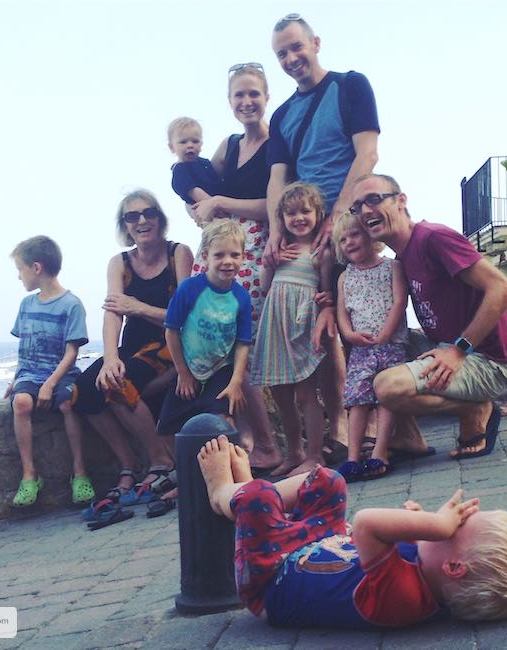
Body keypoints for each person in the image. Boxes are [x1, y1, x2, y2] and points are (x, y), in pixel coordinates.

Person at [198, 434, 507, 628]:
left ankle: (225, 494)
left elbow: (366, 523)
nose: (448, 522)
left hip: (272, 579)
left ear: (454, 568)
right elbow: (404, 544)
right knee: (329, 481)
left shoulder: (404, 599)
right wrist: (420, 524)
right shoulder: (429, 571)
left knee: (258, 499)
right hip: (321, 545)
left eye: (455, 530)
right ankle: (248, 498)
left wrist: (433, 524)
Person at [266, 13, 380, 448]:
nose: (292, 58)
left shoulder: (351, 86)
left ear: (315, 42)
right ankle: (344, 427)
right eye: (282, 53)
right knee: (326, 323)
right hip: (310, 229)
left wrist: (339, 213)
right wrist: (278, 225)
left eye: (297, 47)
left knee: (365, 318)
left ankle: (373, 425)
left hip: (352, 218)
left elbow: (366, 154)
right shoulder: (282, 115)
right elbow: (279, 176)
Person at [351, 173, 507, 458]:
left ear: (401, 201)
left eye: (374, 199)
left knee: (387, 387)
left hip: (485, 361)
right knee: (375, 349)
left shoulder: (434, 238)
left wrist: (459, 350)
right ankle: (409, 438)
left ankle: (476, 407)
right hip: (444, 347)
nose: (366, 210)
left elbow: (502, 289)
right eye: (357, 206)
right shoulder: (403, 257)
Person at [188, 61, 282, 471]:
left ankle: (266, 443)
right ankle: (246, 438)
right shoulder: (227, 146)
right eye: (239, 95)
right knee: (218, 348)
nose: (247, 101)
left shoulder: (277, 143)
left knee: (241, 346)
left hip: (251, 249)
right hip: (218, 249)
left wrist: (221, 204)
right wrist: (201, 204)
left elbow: (274, 204)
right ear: (230, 102)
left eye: (253, 93)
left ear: (266, 97)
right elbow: (197, 185)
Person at [74, 190, 193, 504]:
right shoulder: (120, 263)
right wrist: (111, 356)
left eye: (148, 213)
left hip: (170, 344)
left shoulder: (178, 254)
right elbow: (113, 312)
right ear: (125, 226)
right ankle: (129, 464)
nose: (142, 220)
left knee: (118, 385)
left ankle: (162, 461)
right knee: (83, 390)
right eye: (132, 216)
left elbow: (185, 317)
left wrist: (139, 307)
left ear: (159, 218)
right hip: (132, 347)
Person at [250, 182, 332, 476]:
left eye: (305, 212)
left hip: (301, 323)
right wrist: (270, 264)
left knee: (306, 393)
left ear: (318, 213)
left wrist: (325, 305)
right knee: (280, 392)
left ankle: (314, 455)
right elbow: (264, 285)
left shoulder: (321, 251)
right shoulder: (279, 248)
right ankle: (294, 451)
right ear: (282, 219)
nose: (298, 218)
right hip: (275, 323)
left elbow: (325, 289)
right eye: (291, 213)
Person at [7, 236, 94, 507]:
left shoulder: (71, 304)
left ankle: (80, 473)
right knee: (21, 403)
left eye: (20, 270)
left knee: (69, 403)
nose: (19, 277)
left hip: (61, 374)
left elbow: (72, 353)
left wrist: (50, 384)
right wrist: (15, 380)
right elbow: (25, 349)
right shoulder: (27, 305)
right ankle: (29, 475)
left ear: (36, 268)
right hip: (30, 374)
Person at [332, 212, 408, 481]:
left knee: (385, 397)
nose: (349, 242)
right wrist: (349, 334)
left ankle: (380, 453)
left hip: (391, 345)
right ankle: (353, 458)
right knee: (357, 400)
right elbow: (341, 311)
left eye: (355, 235)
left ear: (370, 236)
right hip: (361, 348)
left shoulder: (392, 267)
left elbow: (399, 301)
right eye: (343, 240)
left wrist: (386, 333)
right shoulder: (345, 277)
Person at [158, 220, 251, 435]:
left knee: (222, 419)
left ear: (243, 257)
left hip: (221, 368)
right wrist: (182, 372)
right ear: (206, 256)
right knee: (168, 428)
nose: (227, 261)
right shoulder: (190, 289)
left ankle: (232, 463)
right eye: (219, 255)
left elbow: (243, 343)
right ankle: (182, 466)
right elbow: (171, 330)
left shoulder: (241, 297)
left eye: (234, 255)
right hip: (189, 366)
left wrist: (236, 381)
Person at [168, 116, 221, 204]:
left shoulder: (205, 163)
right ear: (172, 147)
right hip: (208, 208)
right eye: (183, 142)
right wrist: (219, 207)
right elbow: (195, 193)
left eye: (195, 141)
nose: (190, 145)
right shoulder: (179, 171)